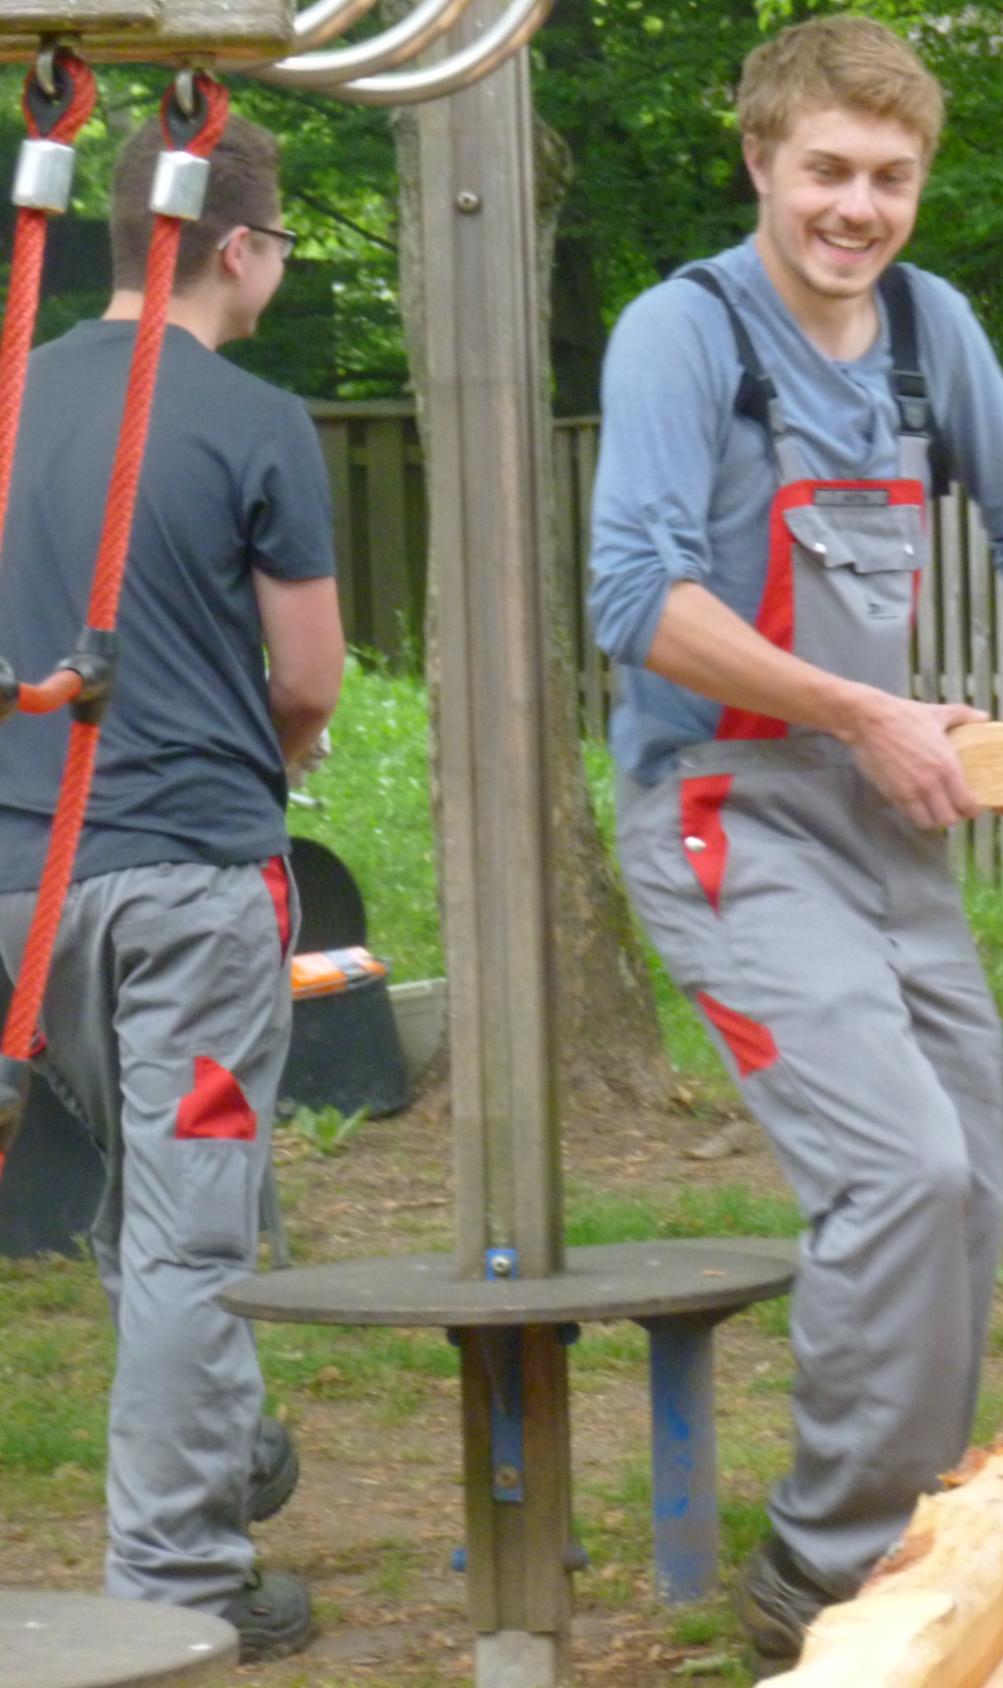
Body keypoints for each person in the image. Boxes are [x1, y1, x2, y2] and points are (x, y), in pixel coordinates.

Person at [585, 17, 1003, 1666]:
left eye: (889, 177)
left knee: (974, 1186)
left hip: (888, 811)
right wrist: (863, 711)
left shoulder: (924, 327)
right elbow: (637, 603)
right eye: (827, 171)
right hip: (727, 808)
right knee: (899, 1173)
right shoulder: (685, 336)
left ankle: (919, 1537)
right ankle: (821, 1575)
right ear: (761, 160)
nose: (856, 207)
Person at [0, 115, 337, 1659]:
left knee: (156, 1204)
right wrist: (270, 746)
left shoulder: (15, 393)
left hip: (23, 894)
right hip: (191, 891)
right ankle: (179, 1584)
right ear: (244, 247)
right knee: (194, 1232)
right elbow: (313, 677)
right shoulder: (254, 417)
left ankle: (229, 1440)